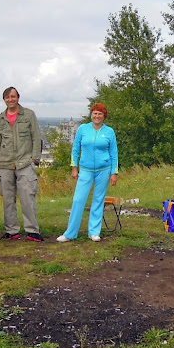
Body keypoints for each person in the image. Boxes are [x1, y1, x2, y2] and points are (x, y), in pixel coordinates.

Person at [57, 103, 118, 243]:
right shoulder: (83, 129)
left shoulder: (109, 132)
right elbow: (75, 149)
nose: (97, 116)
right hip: (85, 169)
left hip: (104, 170)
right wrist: (74, 167)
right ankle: (70, 233)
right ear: (91, 114)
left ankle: (94, 232)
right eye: (95, 113)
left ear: (104, 116)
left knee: (98, 200)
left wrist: (114, 173)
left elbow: (114, 153)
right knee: (78, 200)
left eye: (100, 114)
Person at [0, 86, 44, 241]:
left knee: (28, 197)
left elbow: (36, 138)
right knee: (8, 199)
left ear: (18, 97)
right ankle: (11, 230)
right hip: (5, 164)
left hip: (25, 162)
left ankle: (32, 230)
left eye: (13, 96)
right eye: (7, 97)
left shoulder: (29, 115)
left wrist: (35, 159)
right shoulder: (0, 119)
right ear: (4, 100)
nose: (10, 100)